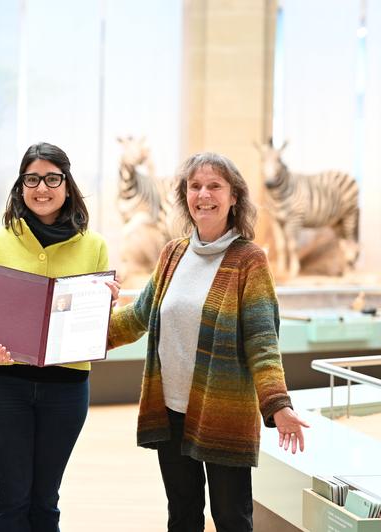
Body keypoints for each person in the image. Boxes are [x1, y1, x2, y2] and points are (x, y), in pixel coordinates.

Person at [107, 152, 310, 531]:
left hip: (223, 412)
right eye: (195, 186)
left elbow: (262, 340)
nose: (204, 194)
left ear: (234, 197)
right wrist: (82, 334)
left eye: (215, 186)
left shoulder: (249, 260)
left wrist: (278, 404)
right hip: (170, 410)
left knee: (231, 516)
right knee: (182, 515)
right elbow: (138, 317)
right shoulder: (172, 254)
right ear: (185, 195)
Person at [0, 142, 119, 531]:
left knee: (46, 500)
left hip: (66, 387)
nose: (41, 188)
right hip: (1, 384)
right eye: (32, 179)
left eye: (51, 178)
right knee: (12, 497)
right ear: (20, 186)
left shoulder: (94, 245)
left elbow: (93, 322)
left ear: (67, 185)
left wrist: (104, 307)